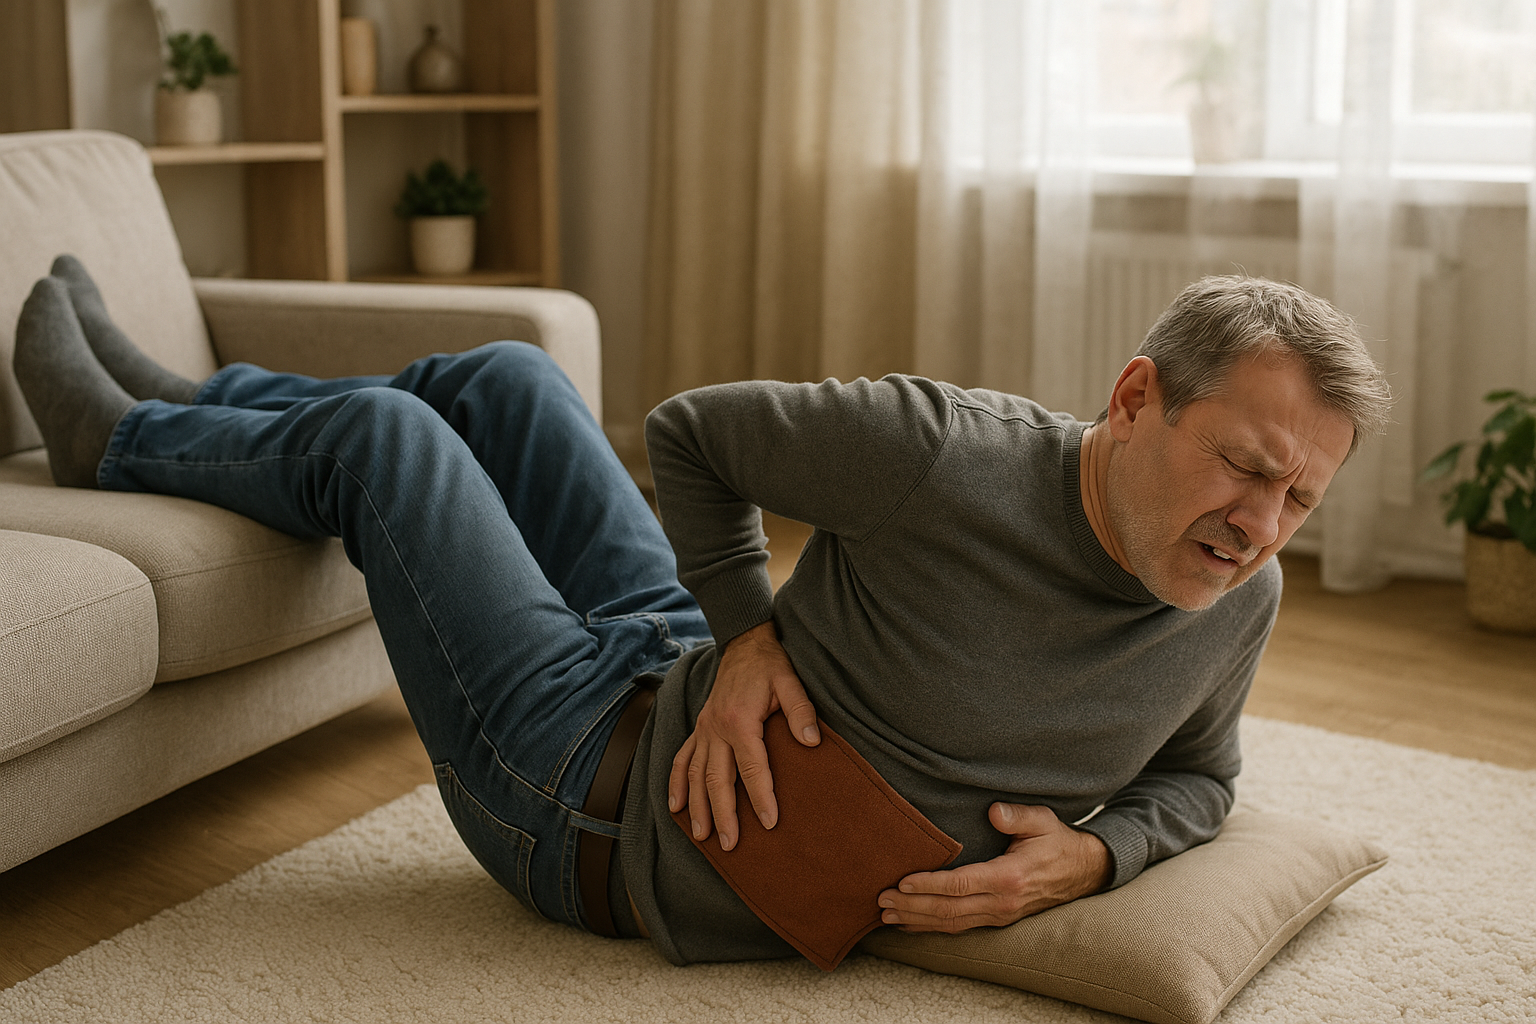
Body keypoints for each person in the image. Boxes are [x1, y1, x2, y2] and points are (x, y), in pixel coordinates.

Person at [13, 259, 1389, 966]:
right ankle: (142, 428)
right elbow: (692, 436)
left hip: (584, 820)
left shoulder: (1237, 599)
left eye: (1300, 502)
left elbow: (1201, 781)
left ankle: (172, 408)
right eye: (1246, 470)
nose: (1259, 528)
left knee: (414, 417)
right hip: (620, 715)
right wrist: (743, 635)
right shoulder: (939, 453)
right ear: (1139, 398)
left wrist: (1095, 861)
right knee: (488, 387)